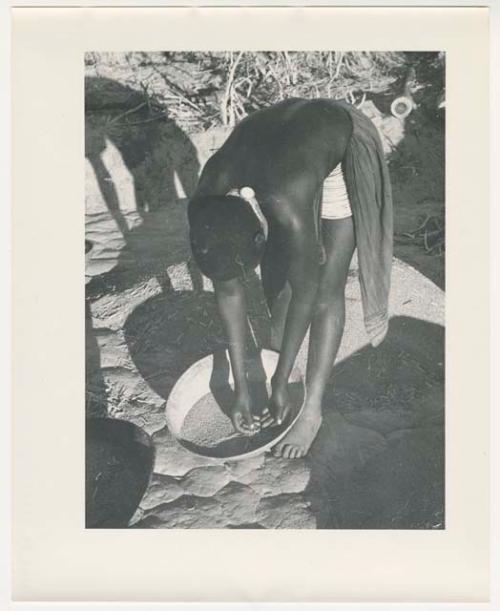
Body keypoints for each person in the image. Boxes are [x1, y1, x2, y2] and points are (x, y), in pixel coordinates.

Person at [188, 98, 393, 458]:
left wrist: (281, 382)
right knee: (279, 285)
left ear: (262, 230)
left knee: (327, 287)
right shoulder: (207, 199)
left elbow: (306, 293)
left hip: (333, 138)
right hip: (281, 147)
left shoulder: (286, 201)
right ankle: (282, 378)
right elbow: (229, 290)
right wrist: (241, 388)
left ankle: (311, 410)